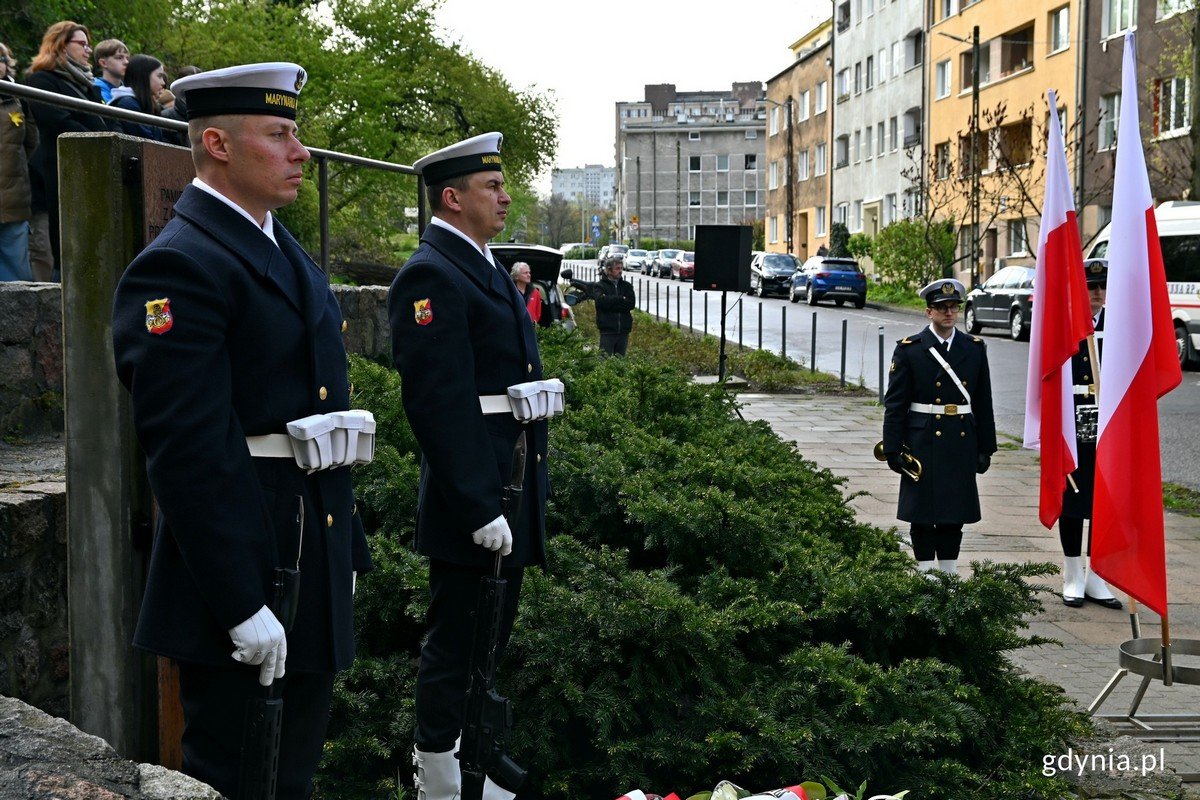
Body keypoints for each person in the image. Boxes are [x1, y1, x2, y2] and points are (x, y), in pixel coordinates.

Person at [110, 62, 372, 799]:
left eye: (297, 133)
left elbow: (320, 410)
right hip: (248, 572)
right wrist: (238, 601)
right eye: (280, 135)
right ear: (218, 144)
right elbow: (188, 450)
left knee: (290, 778)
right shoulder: (180, 267)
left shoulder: (281, 250)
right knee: (238, 780)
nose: (302, 153)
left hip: (304, 555)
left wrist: (343, 545)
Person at [388, 132, 550, 800]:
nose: (506, 196)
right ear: (452, 198)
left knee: (488, 634)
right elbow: (437, 399)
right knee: (456, 640)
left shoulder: (480, 263)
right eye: (493, 187)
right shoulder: (432, 273)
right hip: (477, 492)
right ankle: (440, 773)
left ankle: (476, 752)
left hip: (507, 481)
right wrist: (479, 505)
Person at [881, 278, 997, 575]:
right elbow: (895, 404)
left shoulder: (973, 348)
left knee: (952, 513)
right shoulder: (910, 350)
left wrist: (986, 447)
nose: (949, 313)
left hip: (960, 440)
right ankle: (924, 572)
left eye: (953, 307)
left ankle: (948, 570)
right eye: (941, 308)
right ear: (928, 312)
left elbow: (983, 401)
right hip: (921, 441)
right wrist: (893, 448)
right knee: (921, 514)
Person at [24, 21, 116, 280]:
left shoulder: (88, 83)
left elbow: (105, 119)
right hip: (61, 170)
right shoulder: (41, 79)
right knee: (65, 250)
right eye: (82, 44)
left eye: (89, 44)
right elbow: (58, 121)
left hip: (92, 168)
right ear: (61, 46)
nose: (88, 50)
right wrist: (102, 140)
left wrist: (114, 135)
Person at [1058, 258, 1122, 609]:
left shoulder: (1117, 325)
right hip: (1073, 421)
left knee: (1103, 502)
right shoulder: (1066, 325)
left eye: (1101, 287)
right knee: (1072, 498)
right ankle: (1072, 574)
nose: (1097, 293)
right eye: (1090, 286)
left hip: (1108, 424)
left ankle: (1097, 577)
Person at [0, 42, 39, 281]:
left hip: (14, 198)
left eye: (2, 59)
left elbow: (31, 142)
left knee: (16, 274)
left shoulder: (19, 98)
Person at [108, 54, 167, 141]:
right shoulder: (127, 104)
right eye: (159, 76)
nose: (163, 82)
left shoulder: (141, 103)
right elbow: (149, 143)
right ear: (144, 76)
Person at [594, 258, 636, 355]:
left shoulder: (627, 286)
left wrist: (610, 303)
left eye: (621, 268)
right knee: (604, 361)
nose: (620, 271)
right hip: (607, 331)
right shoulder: (599, 286)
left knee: (620, 363)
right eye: (617, 268)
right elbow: (601, 302)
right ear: (609, 270)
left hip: (623, 331)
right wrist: (621, 298)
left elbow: (631, 304)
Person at [91, 39, 128, 103]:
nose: (126, 62)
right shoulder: (96, 88)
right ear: (103, 63)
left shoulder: (127, 89)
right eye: (119, 57)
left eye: (127, 58)